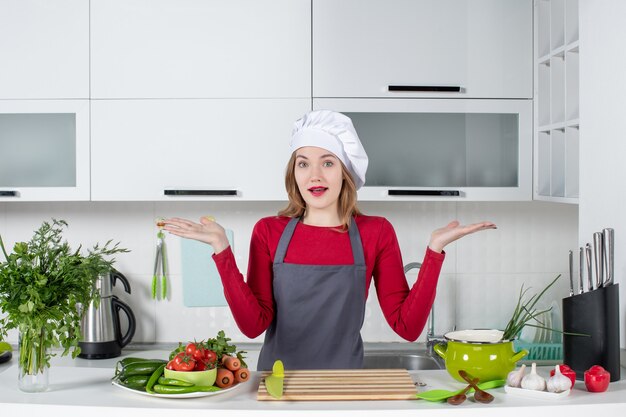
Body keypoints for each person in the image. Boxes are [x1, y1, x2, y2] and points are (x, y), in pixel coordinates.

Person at [163, 110, 496, 371]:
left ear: (345, 171)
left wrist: (434, 251)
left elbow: (407, 328)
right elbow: (253, 326)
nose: (315, 176)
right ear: (293, 173)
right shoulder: (269, 231)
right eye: (303, 164)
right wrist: (222, 250)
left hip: (343, 385)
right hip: (277, 385)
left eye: (328, 163)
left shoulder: (375, 231)